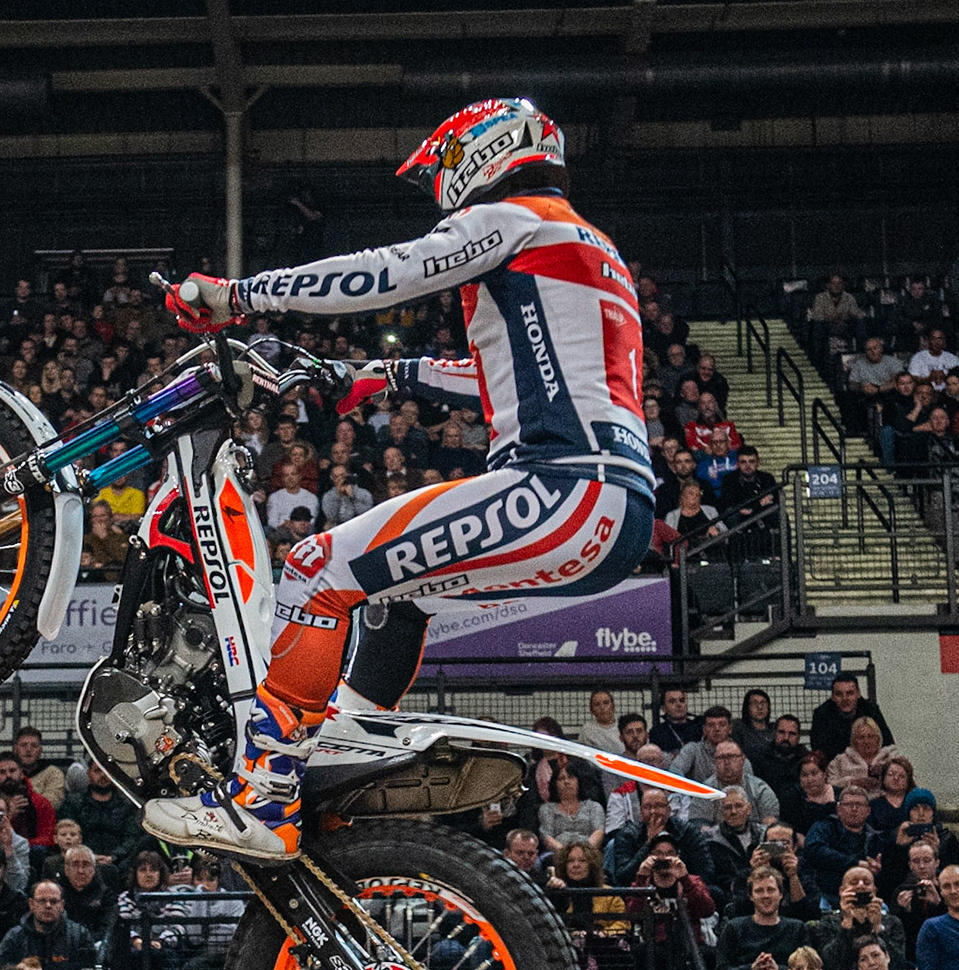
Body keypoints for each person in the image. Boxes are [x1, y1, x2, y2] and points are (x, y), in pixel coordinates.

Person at [145, 99, 659, 862]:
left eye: (443, 171)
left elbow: (389, 272)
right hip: (617, 504)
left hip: (562, 488)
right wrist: (375, 376)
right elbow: (490, 372)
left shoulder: (518, 218)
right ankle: (339, 744)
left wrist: (235, 297)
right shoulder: (590, 246)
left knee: (318, 569)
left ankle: (262, 793)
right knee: (391, 589)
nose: (440, 190)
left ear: (484, 154)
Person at [0, 880, 98, 970]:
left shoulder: (80, 936)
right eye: (42, 901)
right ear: (31, 904)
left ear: (62, 905)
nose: (48, 906)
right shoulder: (14, 938)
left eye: (54, 901)